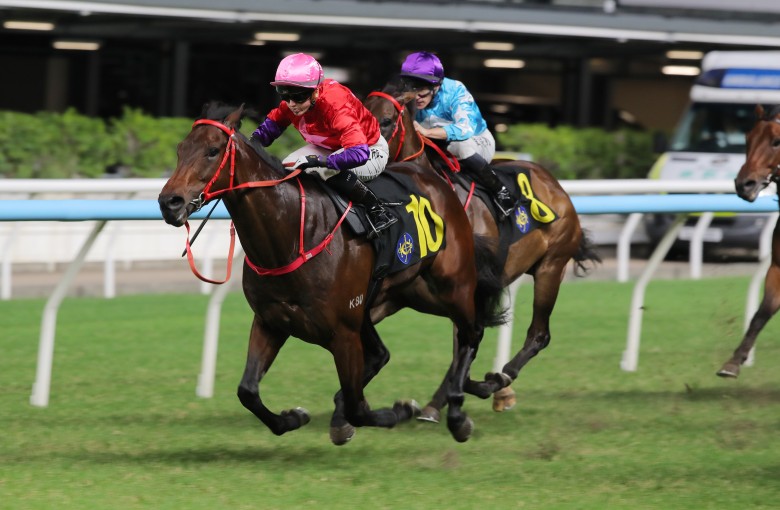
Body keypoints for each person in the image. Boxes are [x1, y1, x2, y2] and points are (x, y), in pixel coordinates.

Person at [251, 53, 397, 237]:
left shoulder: (336, 105)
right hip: (331, 147)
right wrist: (251, 143)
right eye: (285, 96)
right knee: (288, 167)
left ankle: (377, 211)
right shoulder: (292, 104)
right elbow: (273, 125)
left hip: (370, 149)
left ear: (316, 91)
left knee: (325, 170)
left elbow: (358, 153)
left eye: (297, 97)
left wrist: (322, 161)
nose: (292, 104)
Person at [399, 51, 518, 217]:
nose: (416, 98)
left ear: (436, 86)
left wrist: (427, 131)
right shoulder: (408, 97)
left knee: (460, 145)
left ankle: (501, 191)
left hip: (475, 141)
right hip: (436, 147)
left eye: (421, 92)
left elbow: (465, 129)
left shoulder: (455, 90)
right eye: (412, 90)